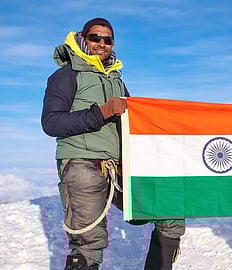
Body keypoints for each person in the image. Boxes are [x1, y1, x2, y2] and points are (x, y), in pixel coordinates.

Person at [41, 18, 185, 270]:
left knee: (169, 211)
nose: (102, 43)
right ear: (83, 38)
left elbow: (133, 122)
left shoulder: (116, 80)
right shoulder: (66, 76)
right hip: (81, 162)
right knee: (88, 241)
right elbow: (51, 123)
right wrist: (102, 112)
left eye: (108, 39)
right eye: (96, 37)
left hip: (120, 164)